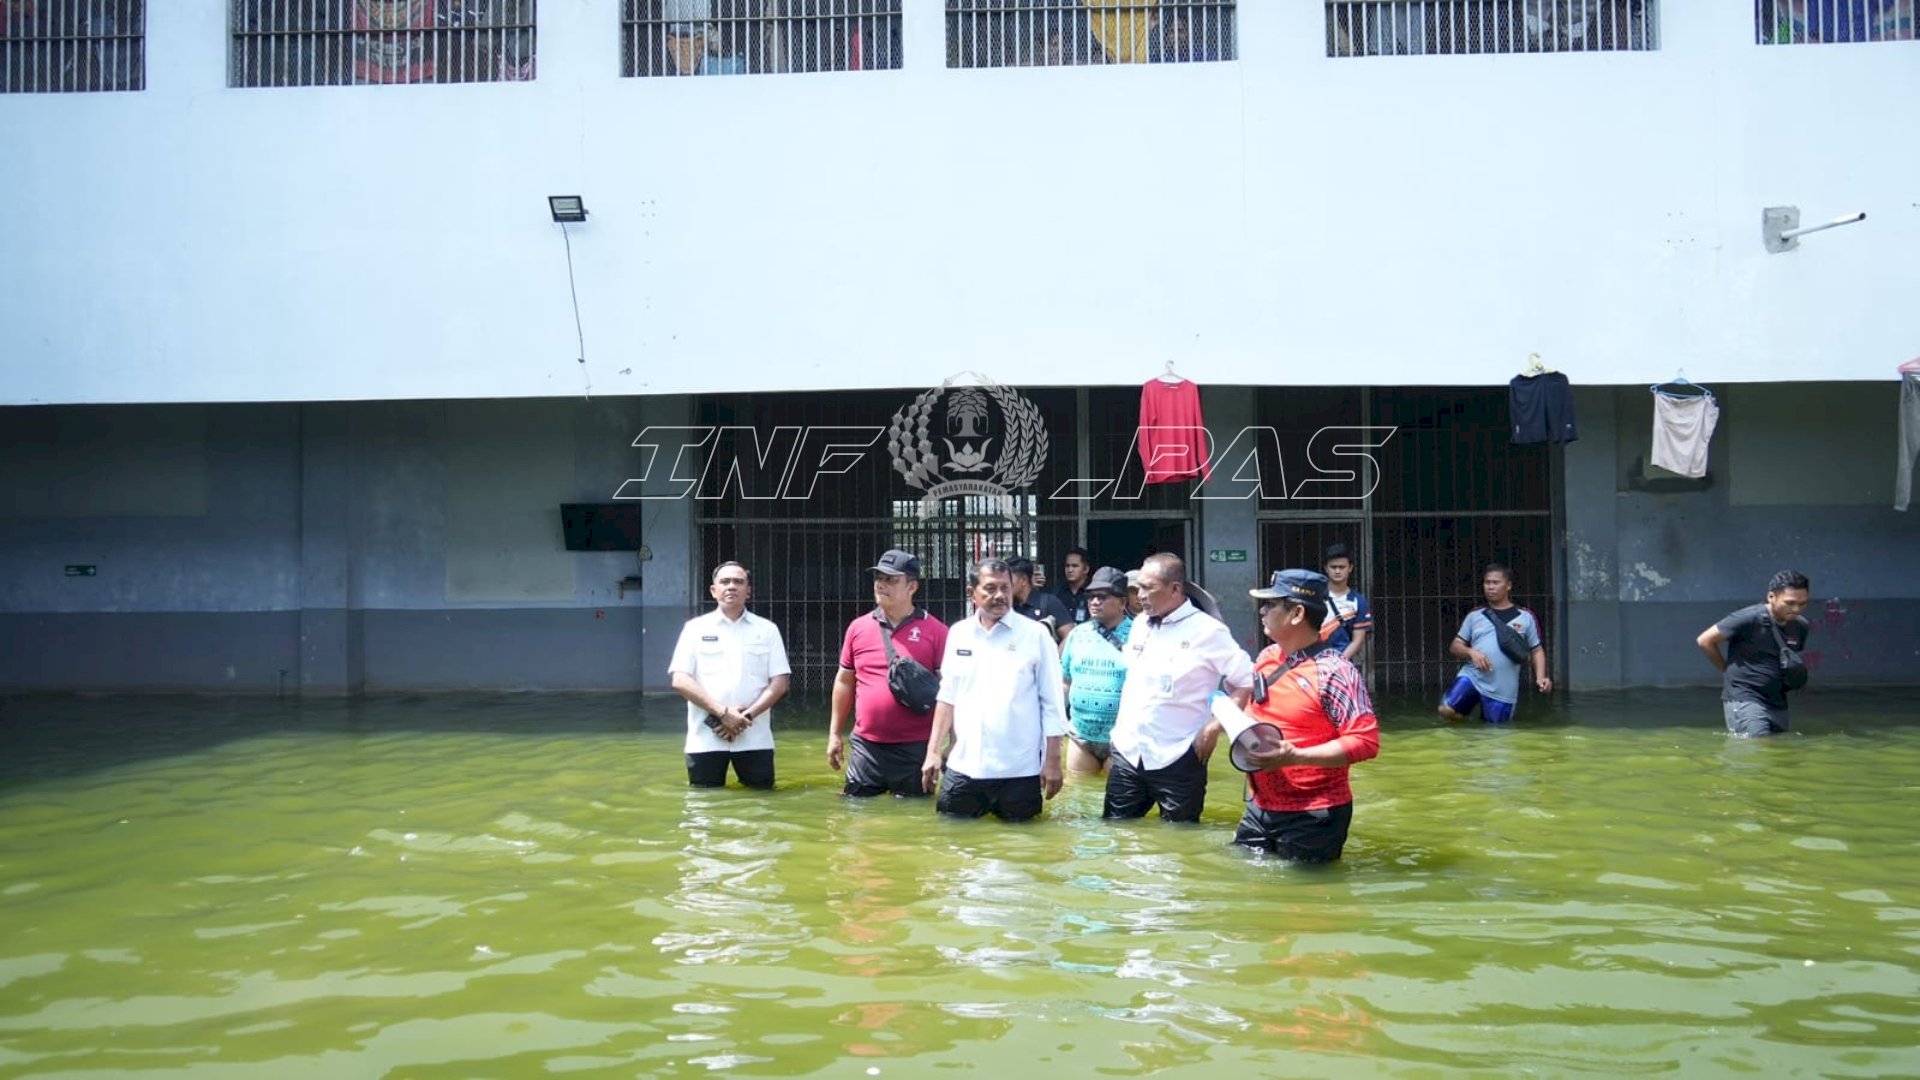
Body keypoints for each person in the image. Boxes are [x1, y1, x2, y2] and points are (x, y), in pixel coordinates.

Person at [1218, 570, 1381, 862]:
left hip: (1314, 813)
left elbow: (1366, 741)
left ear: (1297, 613)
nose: (1263, 611)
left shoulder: (1335, 671)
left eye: (1271, 605)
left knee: (1305, 903)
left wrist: (1296, 756)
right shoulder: (1267, 657)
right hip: (1259, 806)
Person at [1103, 554, 1255, 822]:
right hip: (1129, 750)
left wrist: (1214, 727)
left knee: (1180, 843)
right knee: (1116, 833)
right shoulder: (1140, 624)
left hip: (1179, 753)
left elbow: (1245, 682)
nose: (1140, 596)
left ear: (1175, 589)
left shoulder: (1208, 631)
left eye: (1148, 588)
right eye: (1138, 588)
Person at [921, 559, 1068, 821]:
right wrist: (933, 751)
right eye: (990, 588)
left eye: (1005, 588)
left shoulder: (1035, 635)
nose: (999, 596)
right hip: (965, 766)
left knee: (1022, 850)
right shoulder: (959, 633)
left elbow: (1052, 702)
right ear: (972, 593)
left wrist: (1053, 760)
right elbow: (947, 696)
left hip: (1020, 770)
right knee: (952, 845)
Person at [827, 549, 948, 797]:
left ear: (912, 587)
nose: (881, 585)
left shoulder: (936, 631)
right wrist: (834, 734)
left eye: (891, 580)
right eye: (879, 578)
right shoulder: (857, 628)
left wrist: (945, 746)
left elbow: (951, 693)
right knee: (856, 814)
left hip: (915, 748)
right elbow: (845, 682)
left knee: (914, 820)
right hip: (866, 746)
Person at [667, 561, 791, 788]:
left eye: (739, 582)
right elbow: (680, 679)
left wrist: (745, 718)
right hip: (705, 739)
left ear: (748, 591)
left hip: (755, 738)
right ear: (713, 591)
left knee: (761, 807)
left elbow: (780, 682)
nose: (731, 586)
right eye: (725, 582)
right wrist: (722, 713)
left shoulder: (767, 629)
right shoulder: (695, 629)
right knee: (704, 810)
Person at [1696, 570, 1812, 737]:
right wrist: (1726, 670)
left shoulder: (1800, 626)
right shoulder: (1749, 618)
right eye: (1790, 603)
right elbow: (1705, 640)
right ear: (1771, 597)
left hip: (1777, 701)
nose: (1796, 609)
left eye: (1802, 604)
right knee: (1759, 745)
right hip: (1745, 696)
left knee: (1779, 750)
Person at [1438, 563, 1551, 723]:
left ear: (1508, 585)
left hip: (1503, 688)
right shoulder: (1475, 615)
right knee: (1446, 709)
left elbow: (1536, 650)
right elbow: (1455, 646)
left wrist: (1541, 678)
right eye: (1487, 582)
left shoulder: (1525, 617)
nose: (1490, 587)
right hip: (1473, 676)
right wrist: (1472, 652)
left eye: (1495, 583)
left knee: (1495, 733)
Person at [1058, 566, 1132, 776]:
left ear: (1122, 602)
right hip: (1080, 735)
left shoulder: (1140, 636)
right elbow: (1065, 681)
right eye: (1090, 597)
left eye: (1102, 597)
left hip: (1122, 738)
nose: (1094, 602)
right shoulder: (1077, 634)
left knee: (1116, 801)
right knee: (1079, 795)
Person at [1321, 542, 1373, 664]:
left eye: (1342, 567)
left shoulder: (1358, 601)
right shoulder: (1315, 597)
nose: (1337, 571)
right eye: (1333, 567)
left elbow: (1358, 640)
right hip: (1313, 661)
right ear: (1326, 568)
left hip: (1342, 663)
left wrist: (1338, 663)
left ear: (1350, 568)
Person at [1007, 556, 1072, 641]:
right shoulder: (1007, 606)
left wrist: (1055, 654)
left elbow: (1069, 636)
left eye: (1008, 580)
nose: (1005, 585)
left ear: (1023, 580)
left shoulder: (1049, 602)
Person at [1054, 547, 1095, 635]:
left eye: (1075, 566)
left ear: (1086, 569)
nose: (1070, 570)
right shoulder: (1057, 593)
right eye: (1067, 566)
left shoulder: (1094, 593)